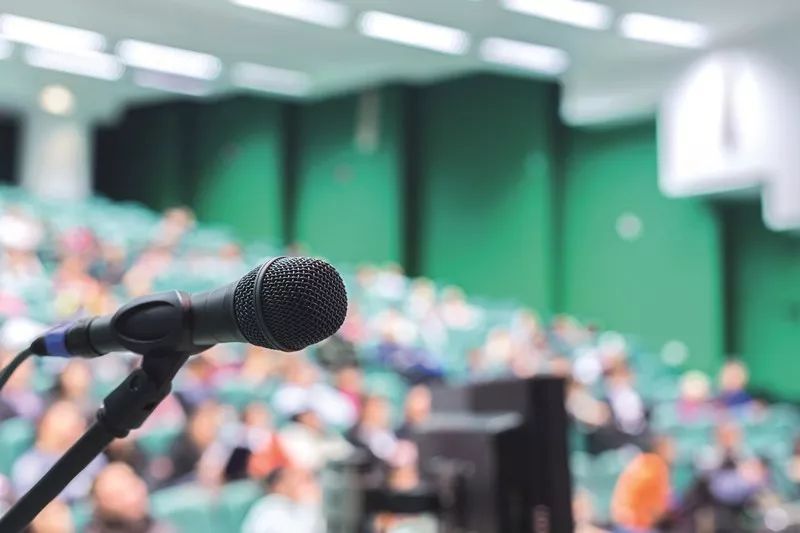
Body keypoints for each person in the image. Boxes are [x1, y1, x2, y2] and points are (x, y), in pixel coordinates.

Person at [12, 401, 106, 502]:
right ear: (44, 423)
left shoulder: (93, 457)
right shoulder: (29, 465)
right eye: (63, 416)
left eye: (76, 417)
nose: (73, 422)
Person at [86, 462, 173, 533]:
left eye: (134, 487)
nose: (133, 498)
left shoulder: (157, 526)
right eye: (119, 496)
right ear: (102, 503)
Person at [241, 467, 325, 533]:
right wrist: (310, 503)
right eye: (293, 479)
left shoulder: (288, 506)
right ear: (279, 486)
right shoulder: (271, 508)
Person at [161, 400, 222, 486]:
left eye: (213, 423)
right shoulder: (180, 448)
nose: (210, 428)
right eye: (206, 422)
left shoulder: (218, 445)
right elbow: (169, 484)